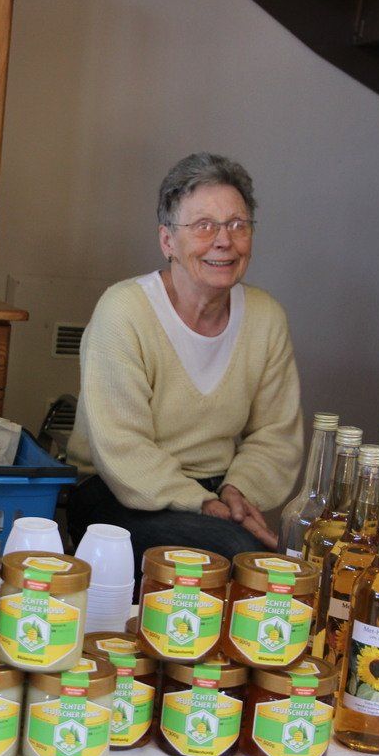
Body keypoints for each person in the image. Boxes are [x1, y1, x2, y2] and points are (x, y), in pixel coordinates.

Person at [66, 152, 302, 575]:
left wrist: (238, 492)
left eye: (238, 225)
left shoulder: (266, 318)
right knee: (235, 555)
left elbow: (275, 435)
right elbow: (123, 449)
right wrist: (204, 505)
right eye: (204, 226)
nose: (224, 240)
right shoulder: (124, 311)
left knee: (293, 557)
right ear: (167, 241)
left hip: (220, 494)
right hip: (117, 492)